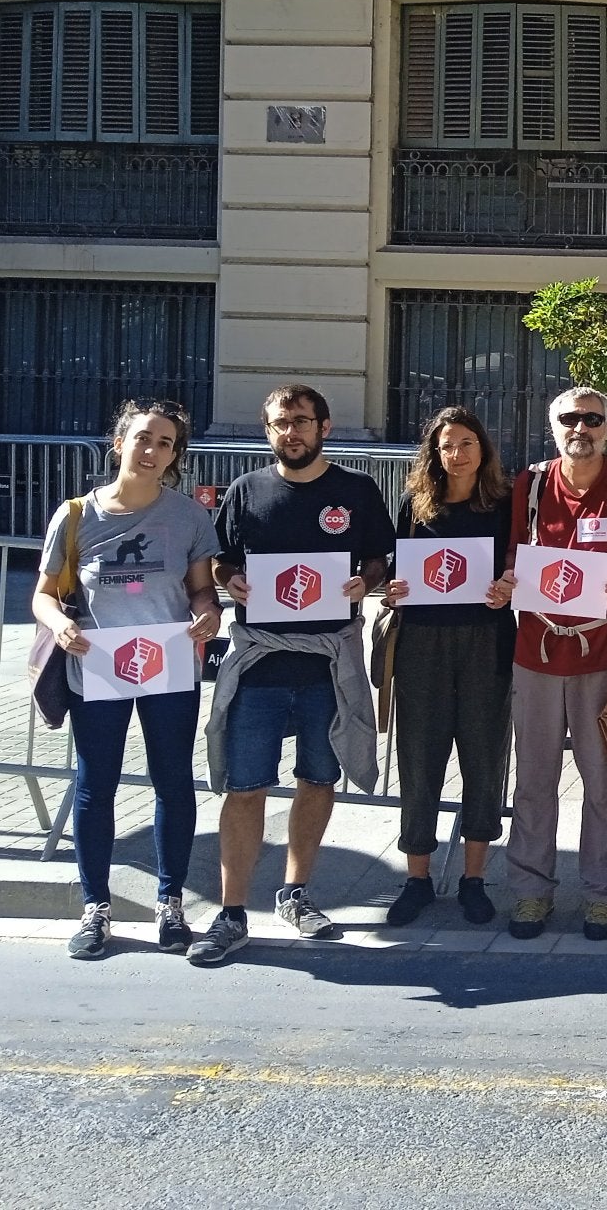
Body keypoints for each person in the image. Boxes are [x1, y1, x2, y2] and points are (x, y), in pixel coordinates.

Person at [193, 384, 391, 966]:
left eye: (302, 422)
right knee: (245, 785)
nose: (292, 432)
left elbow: (380, 554)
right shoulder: (246, 490)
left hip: (327, 662)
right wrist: (230, 581)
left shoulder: (354, 491)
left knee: (317, 778)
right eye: (281, 422)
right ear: (268, 428)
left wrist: (367, 581)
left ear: (324, 427)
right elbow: (222, 557)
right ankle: (231, 913)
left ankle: (296, 893)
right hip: (259, 660)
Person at [33, 399, 220, 959]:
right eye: (142, 438)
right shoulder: (74, 515)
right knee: (96, 784)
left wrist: (210, 614)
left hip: (168, 665)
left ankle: (171, 905)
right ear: (119, 444)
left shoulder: (188, 516)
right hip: (97, 664)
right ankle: (96, 908)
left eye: (165, 443)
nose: (151, 450)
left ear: (175, 456)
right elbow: (42, 597)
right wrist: (62, 624)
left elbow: (202, 591)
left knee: (172, 781)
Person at [501, 387, 607, 940]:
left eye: (592, 419)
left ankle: (601, 894)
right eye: (570, 419)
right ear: (554, 428)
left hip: (605, 657)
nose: (581, 428)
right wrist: (504, 583)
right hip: (537, 654)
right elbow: (510, 556)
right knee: (534, 780)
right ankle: (529, 893)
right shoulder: (530, 485)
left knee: (604, 782)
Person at [380, 407, 516, 929]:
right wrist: (391, 591)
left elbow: (517, 567)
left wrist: (508, 586)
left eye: (466, 443)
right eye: (446, 445)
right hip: (423, 644)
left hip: (487, 642)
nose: (456, 454)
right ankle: (416, 877)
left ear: (483, 449)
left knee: (484, 757)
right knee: (419, 757)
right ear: (433, 453)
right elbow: (396, 570)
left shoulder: (504, 506)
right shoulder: (416, 505)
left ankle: (474, 879)